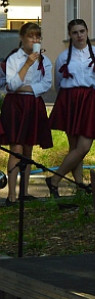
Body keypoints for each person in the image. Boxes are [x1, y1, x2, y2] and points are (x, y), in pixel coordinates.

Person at [46, 19, 95, 195]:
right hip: (70, 101)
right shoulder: (62, 57)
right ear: (70, 35)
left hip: (91, 101)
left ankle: (54, 179)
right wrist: (70, 100)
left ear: (87, 32)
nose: (79, 35)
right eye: (75, 32)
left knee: (83, 147)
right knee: (74, 147)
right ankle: (80, 186)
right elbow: (58, 84)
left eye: (82, 31)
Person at [2, 22, 53, 205]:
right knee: (16, 147)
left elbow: (46, 84)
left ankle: (24, 191)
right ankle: (12, 194)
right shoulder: (14, 59)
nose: (35, 40)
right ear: (22, 38)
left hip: (33, 104)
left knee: (28, 148)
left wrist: (28, 88)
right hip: (15, 106)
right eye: (31, 36)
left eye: (38, 37)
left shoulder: (45, 61)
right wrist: (27, 64)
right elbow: (12, 85)